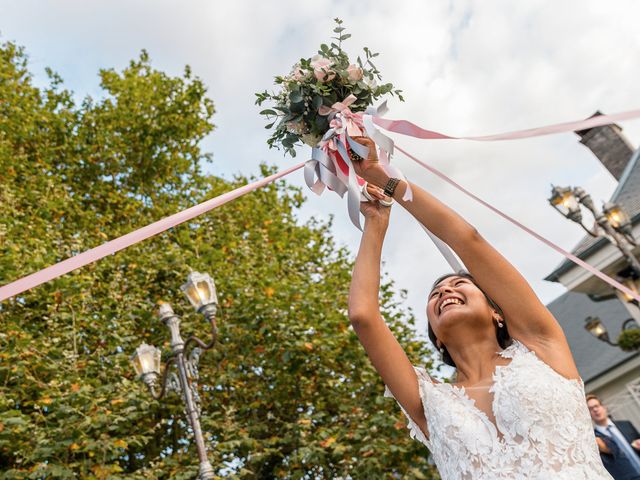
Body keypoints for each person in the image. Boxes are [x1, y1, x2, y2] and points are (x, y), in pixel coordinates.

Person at [346, 137, 612, 479]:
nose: (445, 291)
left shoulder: (543, 347)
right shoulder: (427, 402)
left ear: (498, 312)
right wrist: (375, 221)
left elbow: (467, 239)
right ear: (436, 338)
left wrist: (386, 181)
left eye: (459, 285)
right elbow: (363, 316)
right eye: (436, 294)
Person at [588, 394, 640, 479]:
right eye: (590, 409)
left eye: (596, 406)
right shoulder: (593, 439)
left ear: (604, 407)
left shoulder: (626, 425)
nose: (595, 410)